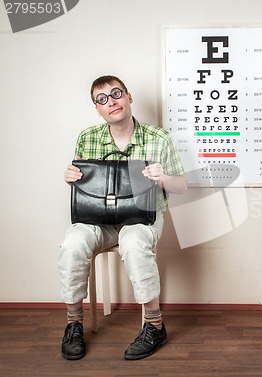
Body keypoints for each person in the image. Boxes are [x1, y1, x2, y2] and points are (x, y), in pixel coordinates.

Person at [59, 75, 187, 360]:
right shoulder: (87, 137)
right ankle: (73, 324)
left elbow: (182, 185)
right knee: (72, 243)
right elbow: (81, 183)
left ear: (129, 96)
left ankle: (154, 325)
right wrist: (71, 179)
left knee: (133, 242)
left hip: (142, 217)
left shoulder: (159, 137)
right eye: (102, 99)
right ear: (97, 109)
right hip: (97, 220)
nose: (111, 101)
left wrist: (163, 178)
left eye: (116, 93)